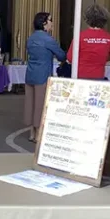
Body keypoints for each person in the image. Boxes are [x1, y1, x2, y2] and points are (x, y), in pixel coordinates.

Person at [24, 12, 66, 142]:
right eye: (50, 20)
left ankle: (32, 131)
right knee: (40, 104)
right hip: (42, 74)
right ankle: (38, 133)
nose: (52, 23)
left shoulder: (30, 38)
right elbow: (61, 56)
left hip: (30, 73)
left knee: (30, 103)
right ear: (44, 23)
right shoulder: (48, 39)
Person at [67, 4, 110, 80]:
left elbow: (70, 57)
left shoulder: (80, 36)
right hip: (98, 77)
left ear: (87, 20)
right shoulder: (108, 38)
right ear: (104, 20)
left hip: (80, 77)